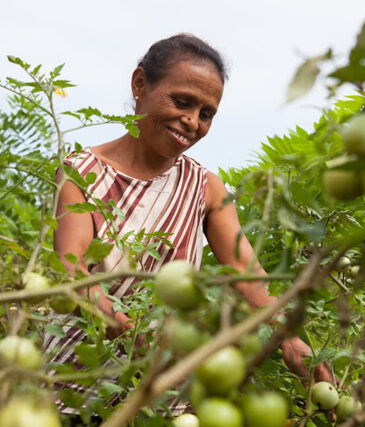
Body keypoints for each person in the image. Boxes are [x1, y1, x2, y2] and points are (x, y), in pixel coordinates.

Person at [43, 34, 331, 416]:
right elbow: (71, 269)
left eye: (207, 113)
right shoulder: (82, 174)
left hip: (162, 401)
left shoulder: (204, 188)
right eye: (182, 102)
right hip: (75, 393)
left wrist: (290, 338)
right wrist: (125, 328)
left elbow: (248, 276)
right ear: (140, 84)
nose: (192, 121)